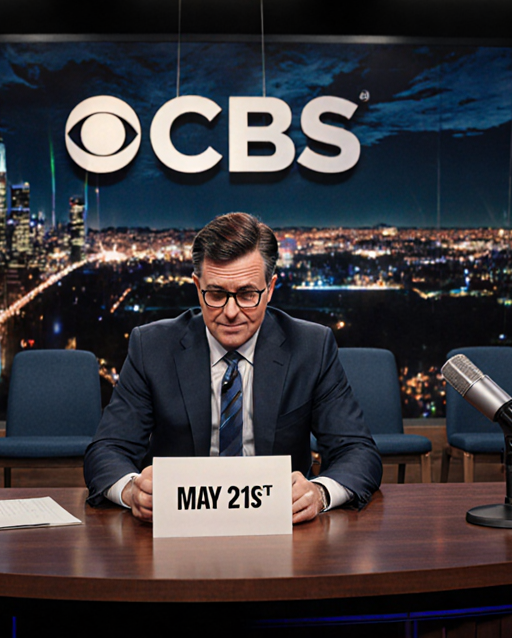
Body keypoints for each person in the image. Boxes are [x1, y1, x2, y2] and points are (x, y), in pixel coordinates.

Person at [84, 212, 382, 524]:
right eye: (216, 294)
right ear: (197, 286)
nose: (230, 312)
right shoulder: (152, 348)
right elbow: (106, 451)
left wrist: (318, 494)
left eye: (247, 294)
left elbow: (358, 452)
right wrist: (132, 490)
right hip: (179, 525)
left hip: (282, 526)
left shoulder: (311, 347)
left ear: (270, 289)